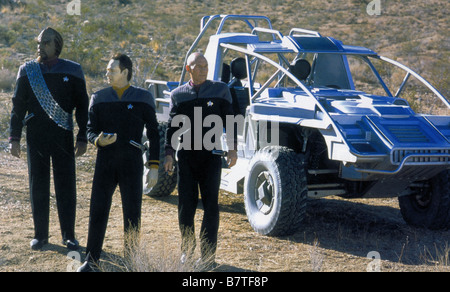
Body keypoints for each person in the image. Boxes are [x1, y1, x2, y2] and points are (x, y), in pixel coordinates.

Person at [9, 27, 89, 251]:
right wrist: (14, 137)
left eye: (45, 42)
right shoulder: (27, 71)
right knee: (38, 185)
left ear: (57, 45)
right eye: (38, 42)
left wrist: (82, 136)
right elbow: (18, 107)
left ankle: (69, 236)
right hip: (36, 136)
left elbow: (82, 107)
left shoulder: (73, 70)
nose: (40, 46)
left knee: (66, 186)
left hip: (63, 135)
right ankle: (40, 235)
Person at [77, 53, 160, 272]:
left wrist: (153, 166)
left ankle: (131, 261)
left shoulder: (143, 98)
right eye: (107, 70)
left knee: (132, 214)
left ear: (125, 72)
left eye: (112, 70)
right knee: (97, 211)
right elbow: (89, 129)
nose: (107, 73)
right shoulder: (99, 97)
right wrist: (97, 140)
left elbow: (154, 133)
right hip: (105, 162)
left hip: (131, 164)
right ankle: (91, 260)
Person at [164, 52, 237, 269]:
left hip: (211, 157)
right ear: (189, 69)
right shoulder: (178, 95)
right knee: (186, 206)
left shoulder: (220, 90)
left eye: (206, 66)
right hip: (186, 157)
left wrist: (232, 149)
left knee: (211, 206)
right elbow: (171, 126)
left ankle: (207, 256)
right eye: (199, 66)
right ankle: (187, 251)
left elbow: (231, 120)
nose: (204, 70)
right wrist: (169, 153)